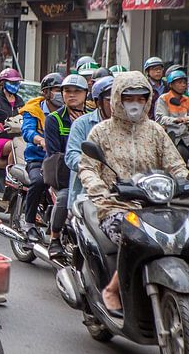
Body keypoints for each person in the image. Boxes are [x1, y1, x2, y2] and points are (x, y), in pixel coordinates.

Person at [78, 71, 188, 311]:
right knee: (134, 239)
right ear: (118, 99)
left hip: (156, 207)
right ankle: (112, 289)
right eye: (129, 98)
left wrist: (184, 180)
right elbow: (87, 167)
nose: (135, 103)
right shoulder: (101, 131)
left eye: (141, 98)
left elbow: (176, 164)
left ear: (148, 100)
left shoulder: (156, 131)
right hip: (116, 206)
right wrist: (99, 188)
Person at [40, 74, 88, 256]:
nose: (72, 95)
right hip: (63, 172)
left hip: (92, 172)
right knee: (65, 197)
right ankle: (54, 238)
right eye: (67, 91)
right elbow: (54, 153)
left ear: (86, 94)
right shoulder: (54, 119)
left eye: (77, 91)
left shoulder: (92, 117)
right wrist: (77, 130)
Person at [18, 72, 62, 231]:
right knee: (38, 182)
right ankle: (28, 223)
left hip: (61, 160)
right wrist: (40, 140)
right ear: (46, 92)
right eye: (56, 90)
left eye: (61, 90)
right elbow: (27, 131)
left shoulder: (67, 112)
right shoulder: (33, 109)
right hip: (38, 159)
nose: (61, 94)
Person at [65, 76, 113, 212]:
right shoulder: (82, 124)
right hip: (86, 196)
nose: (116, 104)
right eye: (110, 100)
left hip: (122, 197)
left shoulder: (130, 126)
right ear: (98, 102)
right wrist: (95, 166)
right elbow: (71, 156)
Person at [155, 69, 189, 161]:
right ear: (171, 84)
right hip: (171, 137)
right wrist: (176, 120)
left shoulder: (187, 99)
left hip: (185, 137)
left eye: (184, 83)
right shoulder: (163, 99)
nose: (183, 85)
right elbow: (160, 118)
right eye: (180, 82)